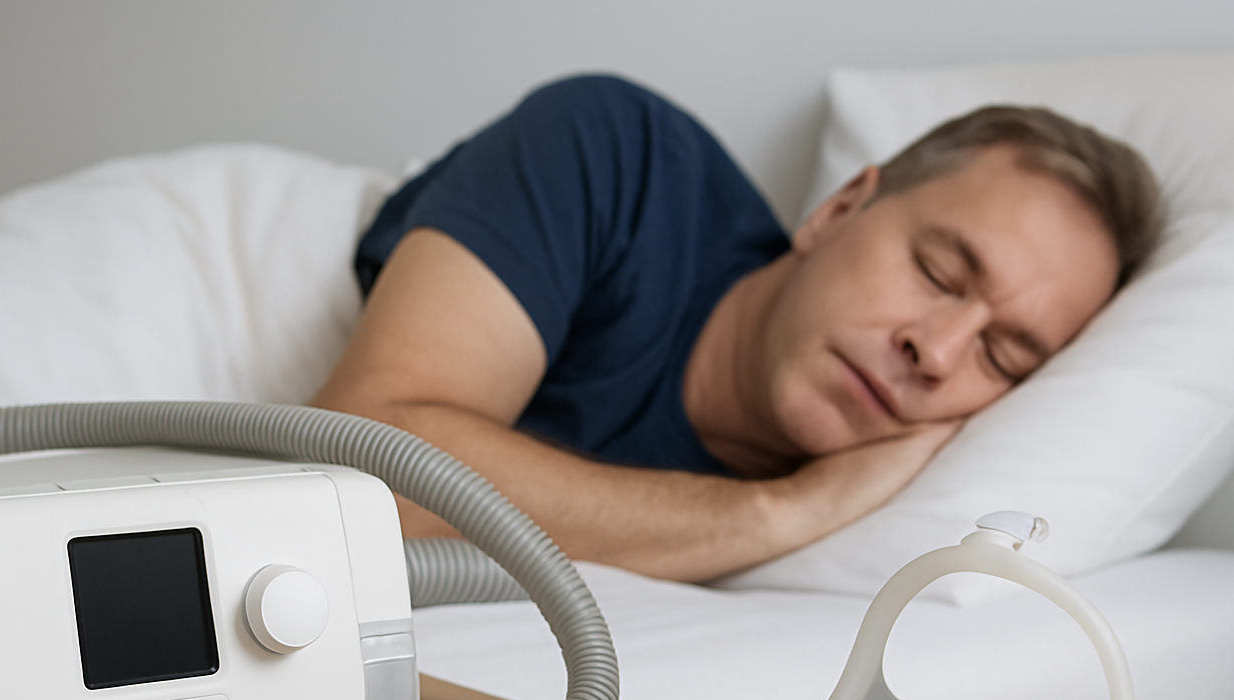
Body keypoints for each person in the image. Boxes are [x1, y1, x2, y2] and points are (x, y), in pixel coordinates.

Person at [312, 75, 1160, 582]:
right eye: (937, 272)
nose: (936, 353)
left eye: (1002, 356)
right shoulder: (619, 155)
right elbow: (358, 467)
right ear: (837, 209)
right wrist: (773, 514)